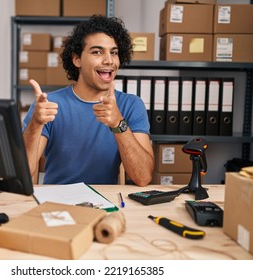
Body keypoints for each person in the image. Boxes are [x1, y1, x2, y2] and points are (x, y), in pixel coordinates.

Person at [22, 15, 155, 187]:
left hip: (106, 204)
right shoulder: (49, 105)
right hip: (58, 204)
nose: (108, 60)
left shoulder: (131, 105)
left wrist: (118, 124)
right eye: (97, 52)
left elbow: (143, 177)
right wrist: (35, 123)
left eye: (114, 52)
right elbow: (23, 173)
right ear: (76, 59)